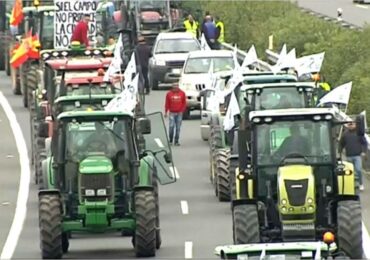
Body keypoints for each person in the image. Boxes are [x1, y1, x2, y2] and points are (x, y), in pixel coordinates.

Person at [339, 121, 367, 191]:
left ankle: (361, 184)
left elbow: (364, 143)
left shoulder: (359, 133)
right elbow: (341, 143)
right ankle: (353, 184)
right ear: (348, 125)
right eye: (349, 124)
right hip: (348, 156)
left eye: (352, 124)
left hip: (357, 155)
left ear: (355, 125)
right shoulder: (345, 134)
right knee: (350, 172)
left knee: (358, 170)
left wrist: (364, 151)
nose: (351, 125)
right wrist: (339, 151)